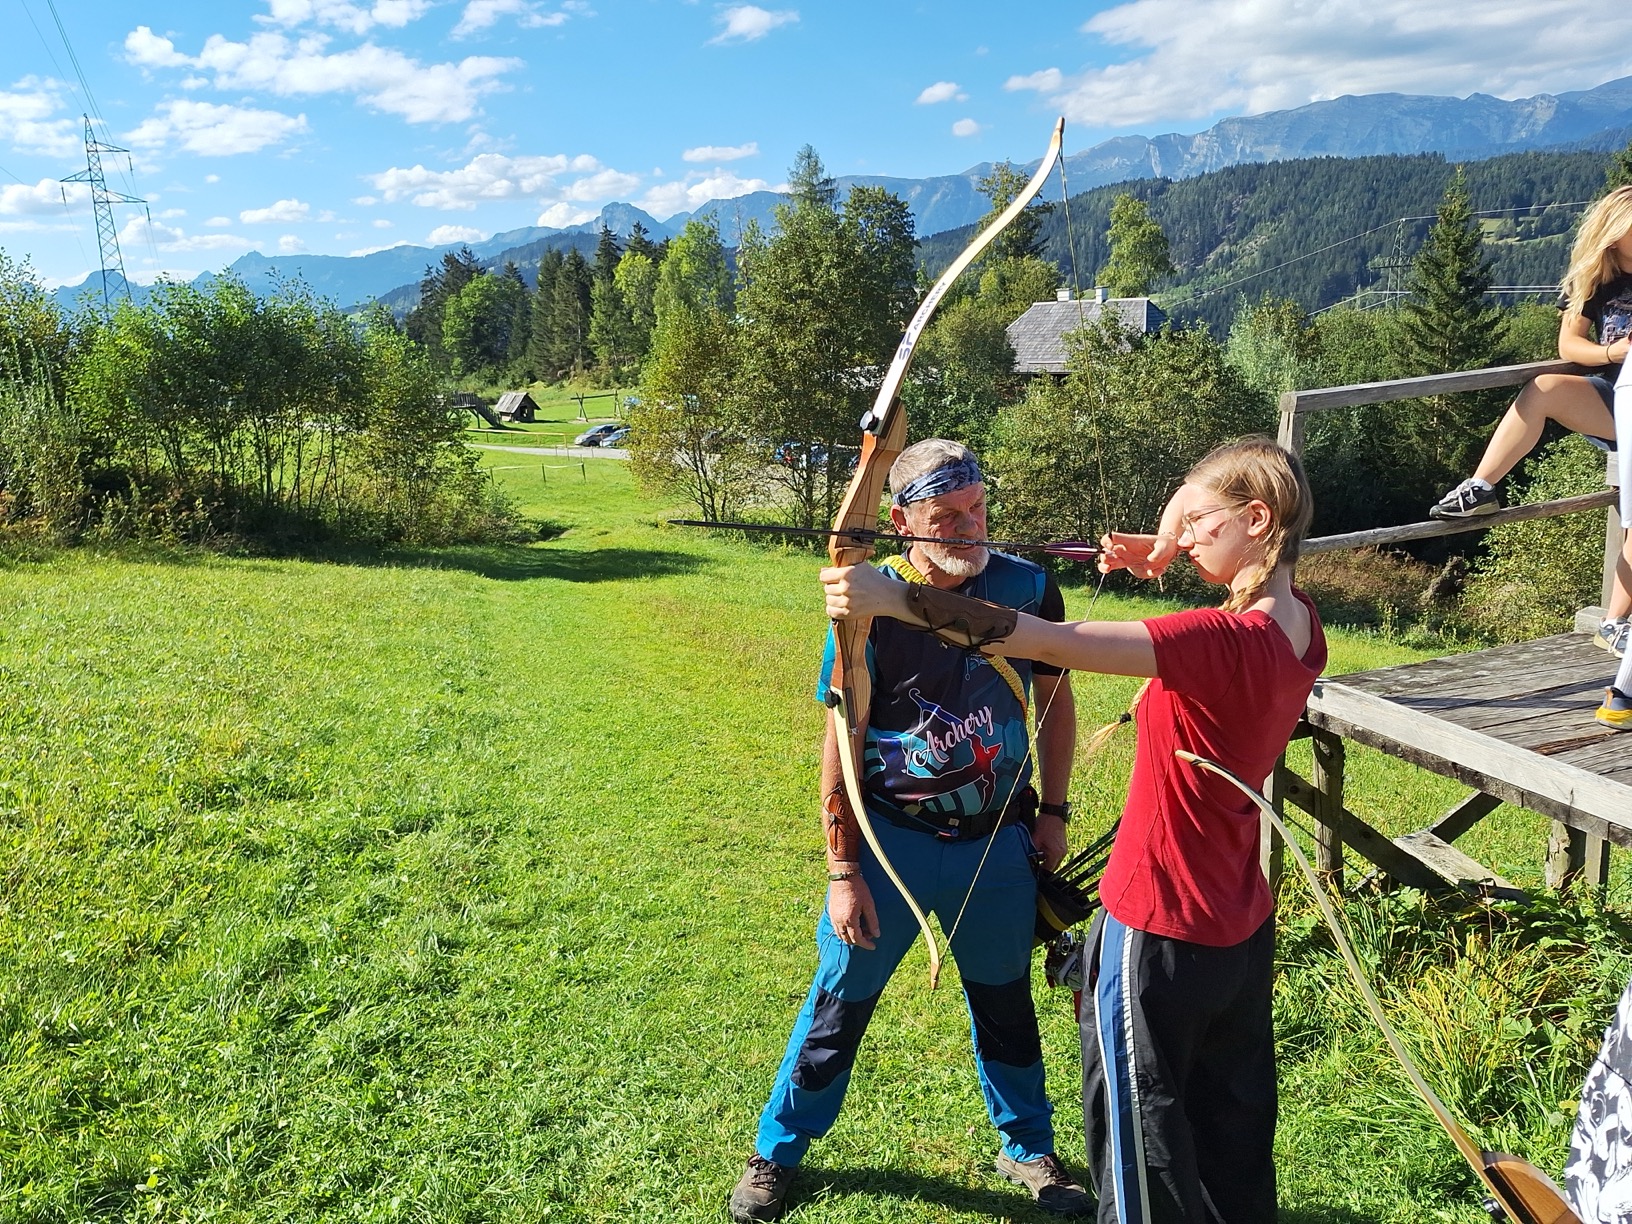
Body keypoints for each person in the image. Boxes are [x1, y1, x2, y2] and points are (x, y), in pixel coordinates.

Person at [823, 436, 1327, 1224]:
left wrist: (896, 601)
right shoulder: (1300, 623)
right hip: (1238, 921)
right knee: (1228, 1130)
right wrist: (1166, 546)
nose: (1183, 536)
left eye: (1197, 523)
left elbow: (1046, 642)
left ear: (1257, 519)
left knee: (1140, 1144)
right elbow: (1218, 541)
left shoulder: (1214, 640)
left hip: (1156, 924)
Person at [729, 439, 1091, 1222]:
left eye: (978, 509)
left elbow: (1057, 704)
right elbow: (842, 738)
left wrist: (1054, 812)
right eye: (945, 517)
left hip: (997, 843)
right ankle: (778, 1149)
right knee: (839, 1001)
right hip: (890, 840)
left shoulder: (1029, 586)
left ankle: (1028, 1147)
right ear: (899, 522)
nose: (969, 529)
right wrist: (842, 869)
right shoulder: (865, 603)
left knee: (1005, 1000)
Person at [1425, 185, 1632, 729]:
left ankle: (1615, 621)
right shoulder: (1597, 279)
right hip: (1616, 397)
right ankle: (1481, 486)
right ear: (1614, 231)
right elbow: (1571, 348)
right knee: (1541, 388)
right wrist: (1617, 351)